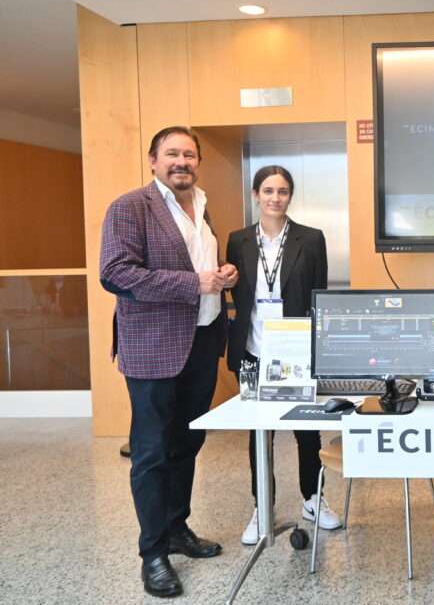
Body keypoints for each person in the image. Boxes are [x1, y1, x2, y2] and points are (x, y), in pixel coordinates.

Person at [100, 126, 238, 599]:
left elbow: (198, 264)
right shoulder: (129, 207)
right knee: (152, 451)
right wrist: (194, 283)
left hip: (202, 339)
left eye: (190, 154)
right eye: (173, 153)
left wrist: (222, 274)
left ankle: (177, 529)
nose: (183, 161)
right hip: (154, 347)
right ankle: (153, 554)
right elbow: (116, 273)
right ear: (153, 160)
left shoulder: (200, 204)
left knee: (187, 442)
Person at [225, 165, 341, 545]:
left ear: (290, 196)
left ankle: (313, 498)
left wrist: (318, 349)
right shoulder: (238, 240)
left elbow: (319, 295)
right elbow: (237, 293)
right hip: (253, 350)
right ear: (255, 195)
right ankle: (262, 506)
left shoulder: (311, 239)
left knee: (306, 430)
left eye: (283, 191)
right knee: (259, 431)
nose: (275, 198)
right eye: (268, 191)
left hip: (295, 350)